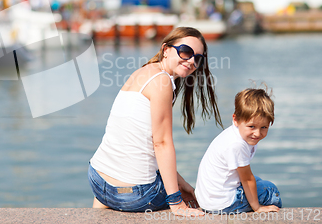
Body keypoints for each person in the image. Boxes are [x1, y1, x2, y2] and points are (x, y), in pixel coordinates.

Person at [88, 27, 223, 216]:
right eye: (186, 51)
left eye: (198, 58)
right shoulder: (162, 82)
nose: (192, 60)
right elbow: (161, 144)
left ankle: (105, 204)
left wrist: (180, 182)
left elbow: (137, 140)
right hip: (134, 194)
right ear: (166, 50)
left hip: (97, 180)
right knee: (208, 199)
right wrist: (176, 202)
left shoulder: (143, 72)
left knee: (180, 186)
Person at [195, 87, 282, 214]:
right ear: (236, 119)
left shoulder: (235, 133)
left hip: (209, 197)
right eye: (252, 126)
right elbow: (247, 179)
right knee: (271, 190)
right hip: (221, 204)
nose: (257, 133)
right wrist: (257, 208)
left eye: (264, 127)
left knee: (258, 181)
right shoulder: (237, 144)